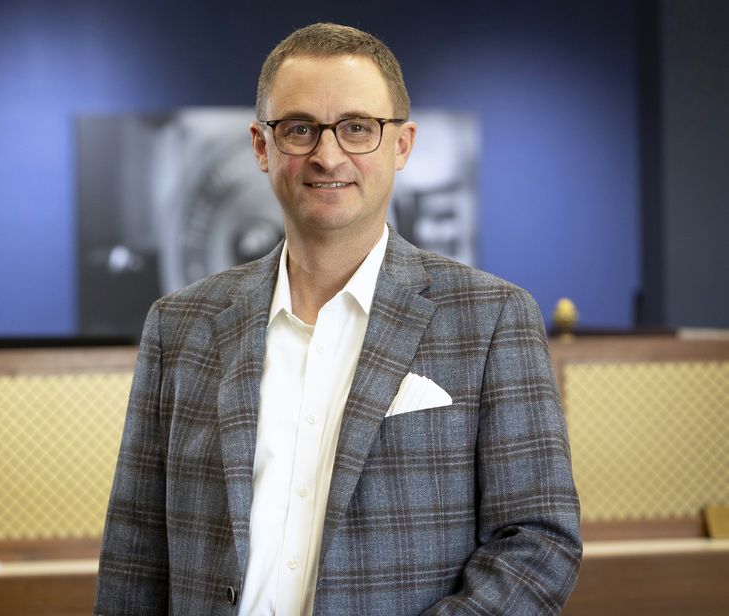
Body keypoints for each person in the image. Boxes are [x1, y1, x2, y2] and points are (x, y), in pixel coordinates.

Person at [94, 22, 581, 616]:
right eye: (299, 129)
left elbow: (537, 543)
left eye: (357, 128)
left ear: (401, 145)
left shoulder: (493, 319)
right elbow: (135, 551)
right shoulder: (179, 326)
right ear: (260, 145)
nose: (328, 155)